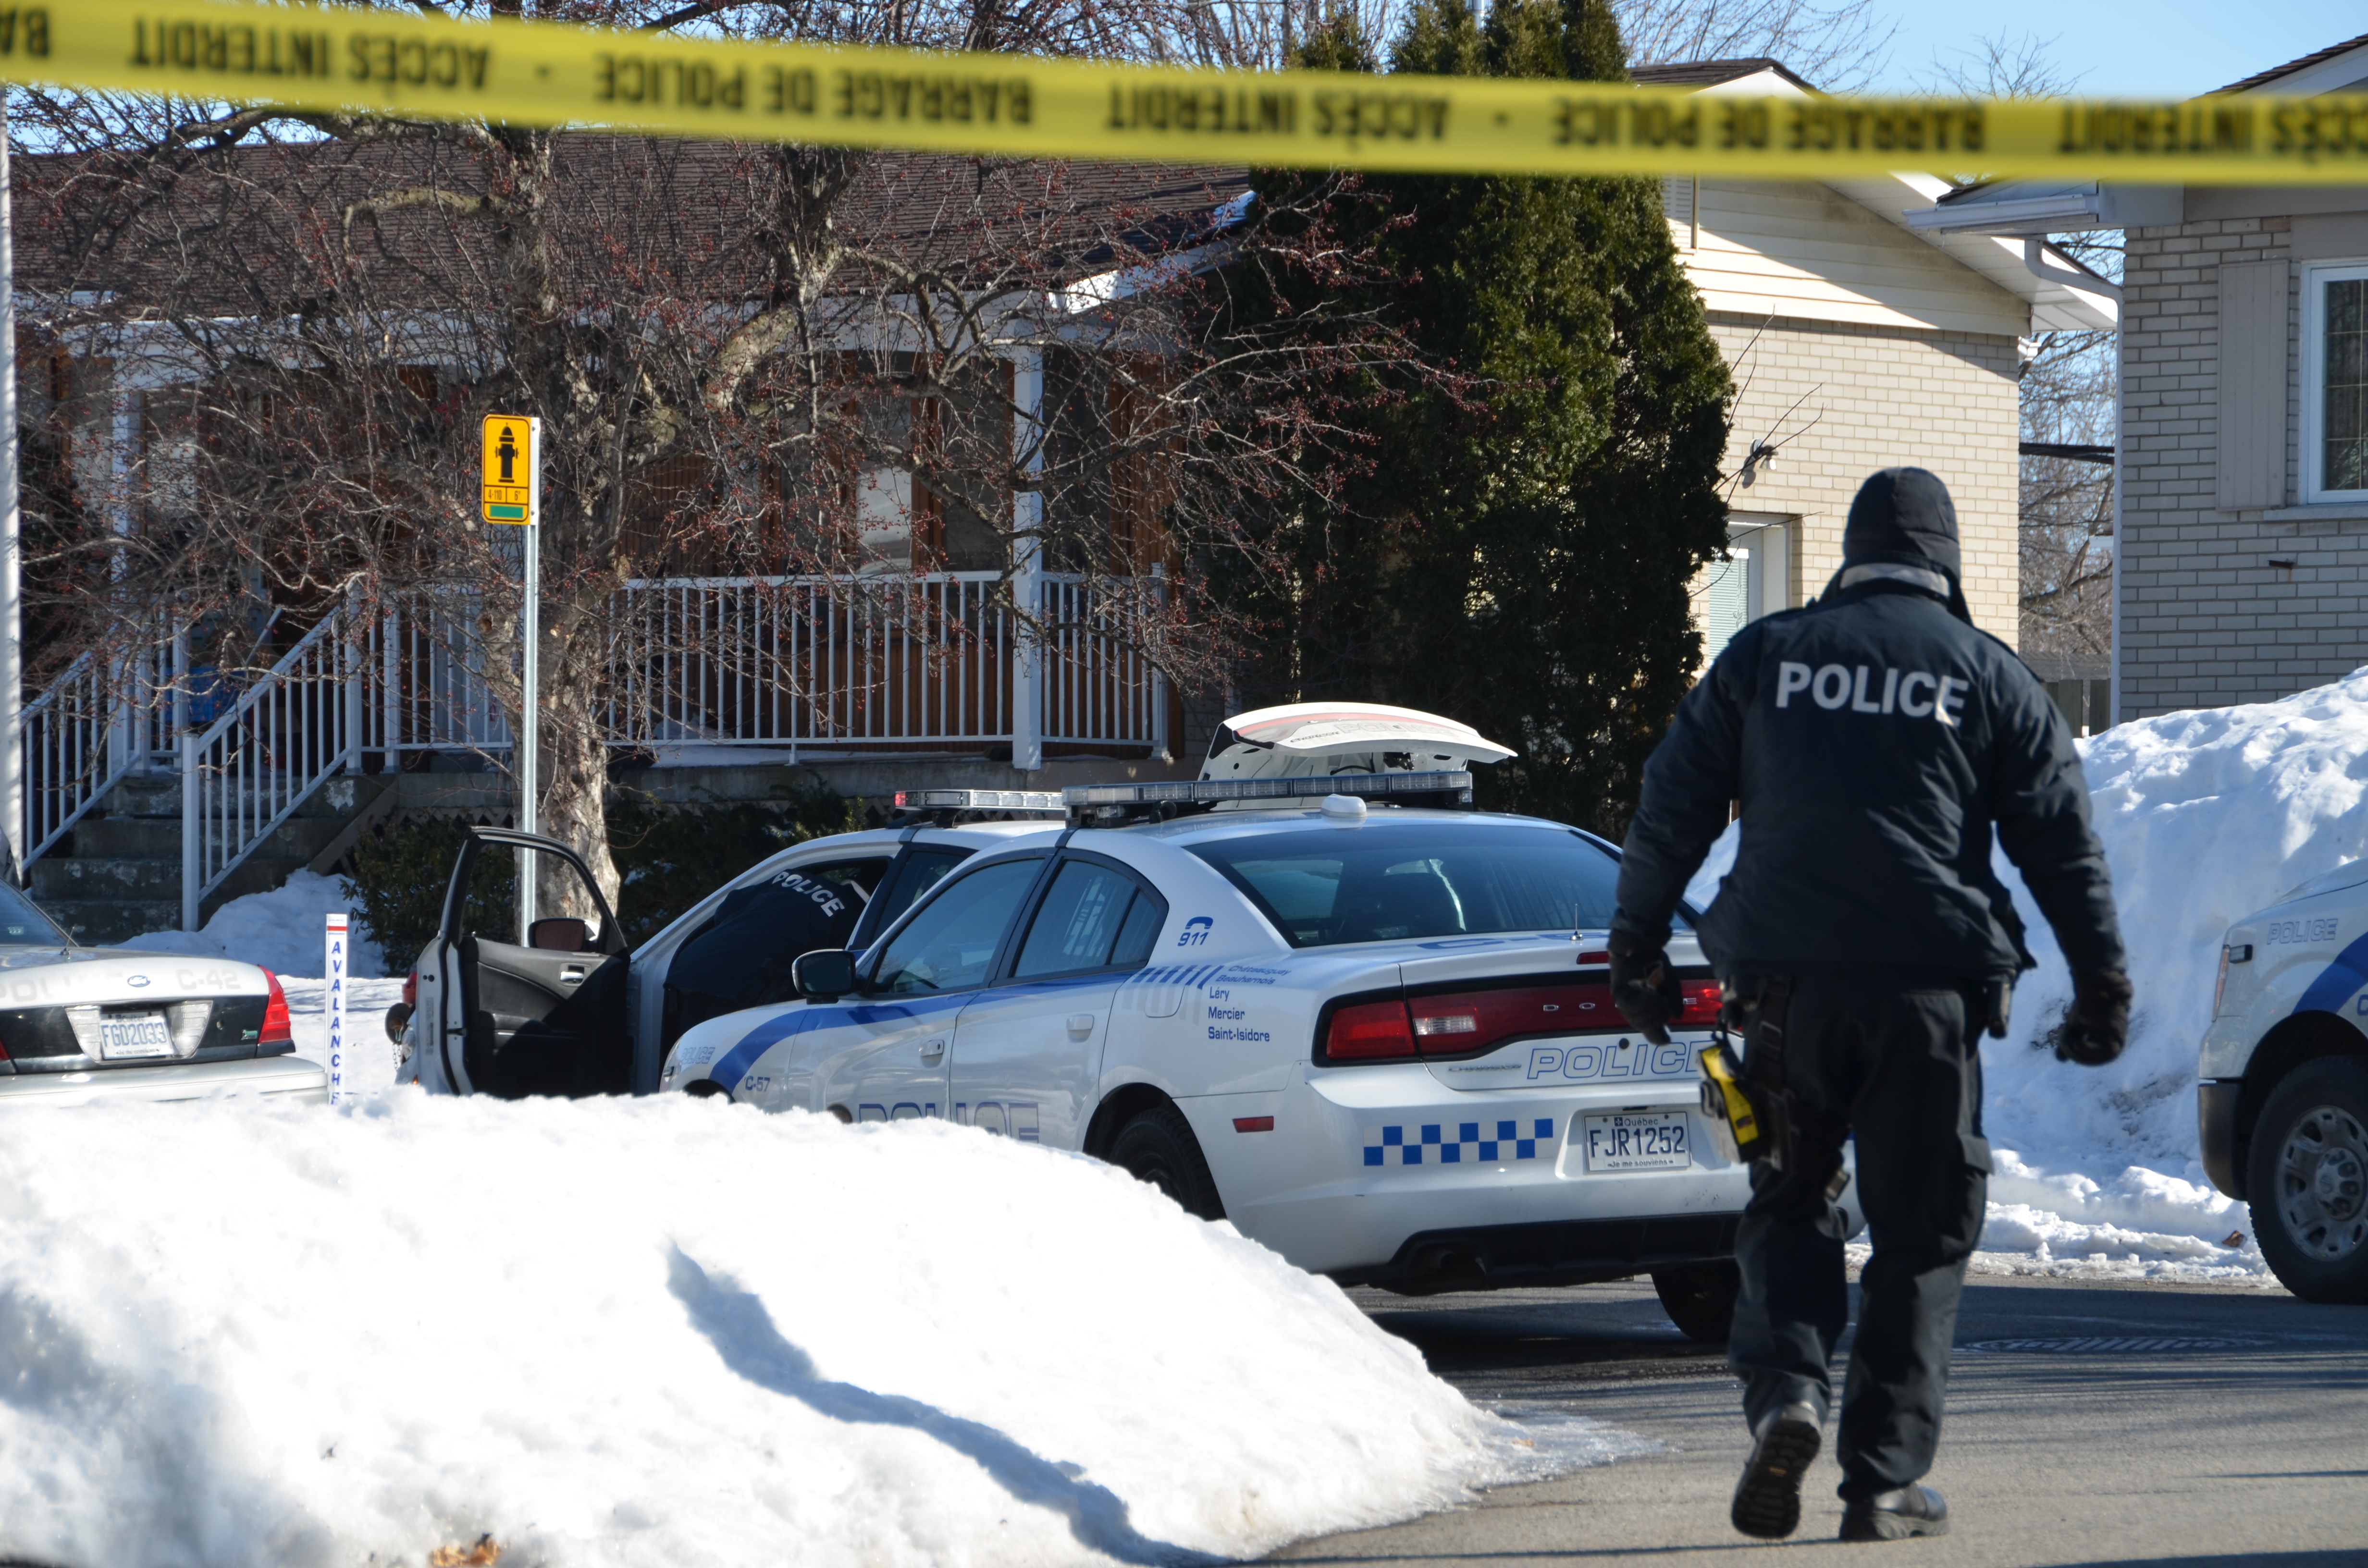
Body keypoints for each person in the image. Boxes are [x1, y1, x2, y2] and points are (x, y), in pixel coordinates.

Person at [1606, 467, 2129, 1544]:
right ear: (1946, 561)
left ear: (1851, 554)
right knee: (1920, 1235)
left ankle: (1787, 1397)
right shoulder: (1988, 672)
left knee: (1790, 1201)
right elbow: (2061, 844)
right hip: (1926, 992)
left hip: (1784, 992)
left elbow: (1673, 803)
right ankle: (1882, 1482)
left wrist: (1637, 948)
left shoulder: (1765, 656)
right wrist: (2100, 985)